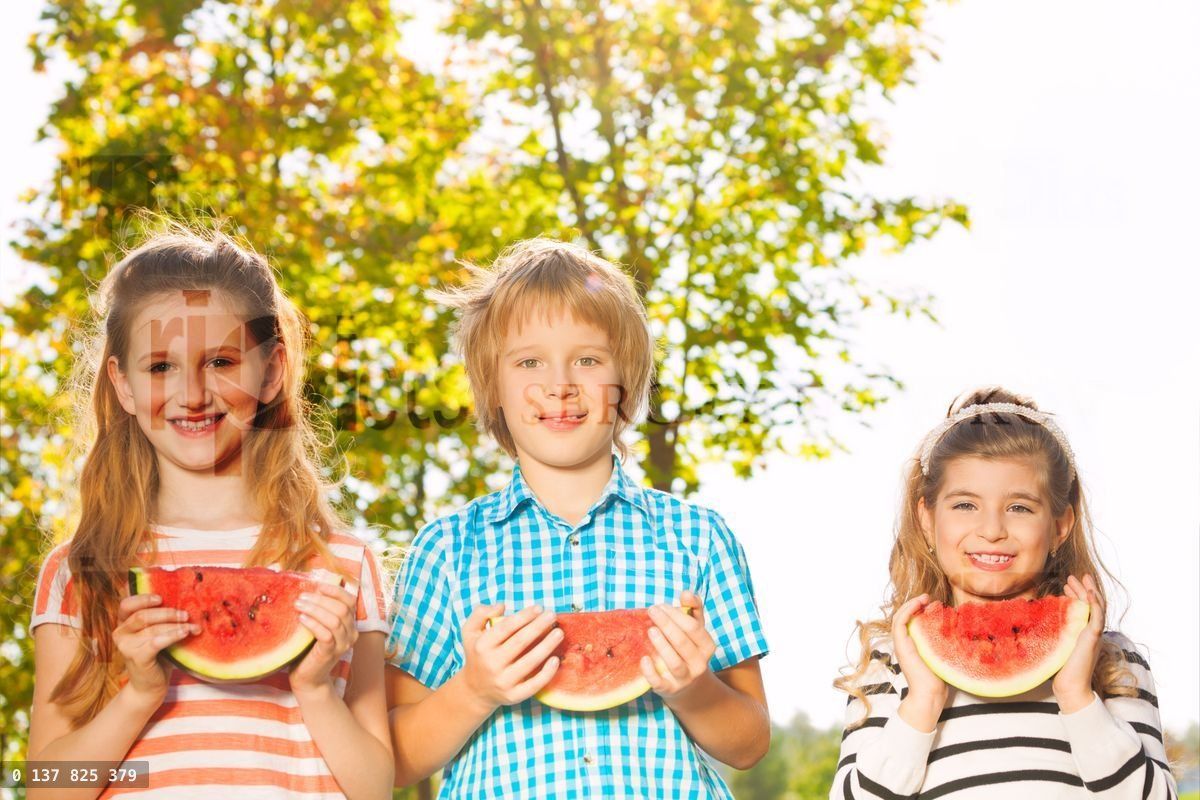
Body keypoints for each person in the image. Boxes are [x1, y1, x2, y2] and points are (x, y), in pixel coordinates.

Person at [385, 238, 770, 798]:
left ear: (626, 383)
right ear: (493, 385)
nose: (560, 383)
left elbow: (750, 742)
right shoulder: (445, 549)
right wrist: (474, 690)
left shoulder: (699, 538)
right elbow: (392, 760)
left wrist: (694, 691)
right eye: (529, 361)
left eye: (588, 360)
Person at [28, 223, 393, 799]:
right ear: (122, 385)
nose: (193, 393)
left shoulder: (346, 563)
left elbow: (375, 787)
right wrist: (139, 695)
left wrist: (316, 689)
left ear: (271, 371)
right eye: (159, 368)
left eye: (221, 362)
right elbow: (47, 787)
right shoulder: (80, 569)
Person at [831, 386, 1177, 799]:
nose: (992, 530)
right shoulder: (891, 660)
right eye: (964, 505)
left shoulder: (1113, 660)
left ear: (1060, 525)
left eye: (1020, 508)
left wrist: (1077, 696)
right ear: (926, 519)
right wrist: (922, 701)